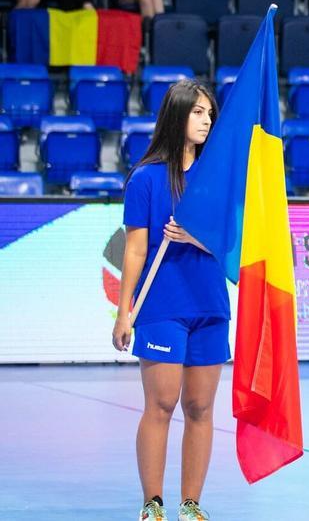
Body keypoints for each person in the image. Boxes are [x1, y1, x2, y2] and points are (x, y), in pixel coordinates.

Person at [111, 80, 227, 521]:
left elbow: (232, 243)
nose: (206, 121)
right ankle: (153, 502)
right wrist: (125, 313)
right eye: (198, 112)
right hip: (161, 309)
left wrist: (198, 239)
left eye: (210, 114)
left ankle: (191, 503)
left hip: (210, 307)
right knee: (161, 404)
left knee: (200, 408)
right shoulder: (145, 178)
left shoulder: (218, 178)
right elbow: (136, 250)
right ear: (177, 116)